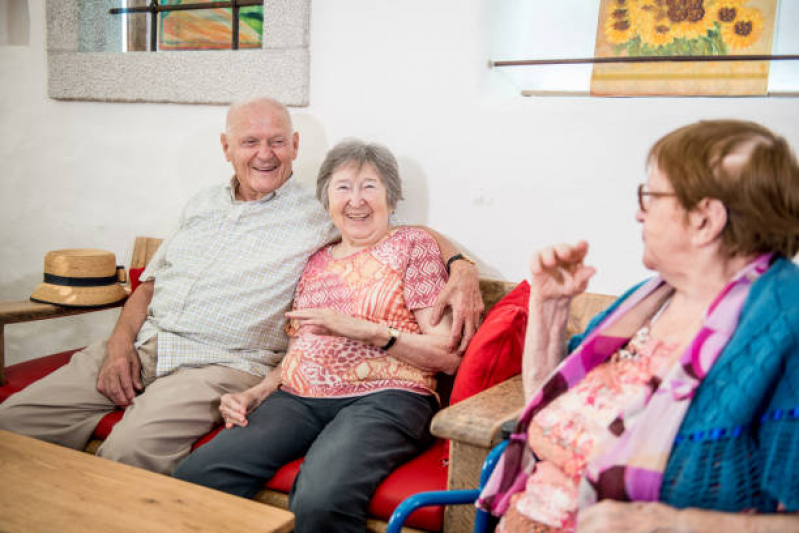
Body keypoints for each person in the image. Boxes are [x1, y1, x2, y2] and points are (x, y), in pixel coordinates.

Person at [0, 97, 482, 475]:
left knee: (128, 451)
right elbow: (147, 286)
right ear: (226, 148)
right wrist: (119, 344)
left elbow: (390, 225)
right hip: (143, 346)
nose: (265, 154)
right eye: (250, 142)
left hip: (220, 365)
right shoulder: (201, 203)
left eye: (277, 141)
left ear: (295, 145)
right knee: (12, 422)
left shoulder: (322, 210)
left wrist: (461, 265)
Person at [478, 119, 799, 532]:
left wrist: (670, 524)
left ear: (705, 219)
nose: (637, 213)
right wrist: (550, 309)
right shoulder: (646, 302)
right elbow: (548, 412)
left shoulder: (783, 323)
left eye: (650, 197)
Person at [173, 139, 460, 532]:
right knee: (198, 475)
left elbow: (447, 353)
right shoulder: (315, 262)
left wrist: (371, 332)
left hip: (387, 396)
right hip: (298, 398)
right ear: (327, 201)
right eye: (343, 188)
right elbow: (299, 352)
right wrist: (254, 393)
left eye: (369, 187)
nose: (355, 200)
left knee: (320, 499)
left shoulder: (413, 246)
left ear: (391, 199)